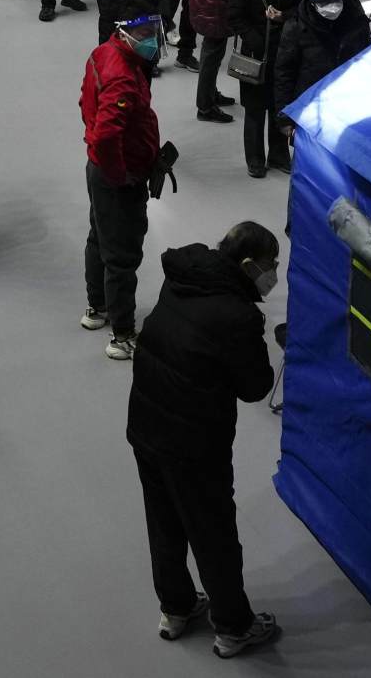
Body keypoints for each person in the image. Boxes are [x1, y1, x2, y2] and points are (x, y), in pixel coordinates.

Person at [126, 220, 282, 659]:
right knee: (213, 533)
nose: (275, 275)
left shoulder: (183, 276)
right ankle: (233, 627)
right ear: (249, 265)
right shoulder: (238, 316)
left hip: (146, 424)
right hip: (193, 445)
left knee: (164, 523)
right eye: (272, 266)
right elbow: (254, 387)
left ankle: (175, 609)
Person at [81, 3, 172, 360]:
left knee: (98, 237)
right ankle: (122, 334)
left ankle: (97, 307)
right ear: (125, 31)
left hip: (99, 169)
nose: (152, 40)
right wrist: (121, 174)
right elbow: (106, 136)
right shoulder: (123, 75)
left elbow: (86, 104)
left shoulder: (103, 53)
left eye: (154, 32)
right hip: (118, 176)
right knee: (123, 254)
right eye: (145, 33)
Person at [228, 0, 300, 178]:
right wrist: (255, 39)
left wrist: (284, 16)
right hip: (256, 55)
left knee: (279, 105)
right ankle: (255, 159)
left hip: (285, 50)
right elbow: (234, 16)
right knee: (256, 110)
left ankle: (279, 155)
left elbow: (300, 4)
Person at [273, 0, 371, 117]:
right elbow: (284, 73)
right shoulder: (297, 27)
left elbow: (369, 56)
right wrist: (284, 117)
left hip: (349, 100)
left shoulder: (356, 19)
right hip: (312, 103)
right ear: (313, 2)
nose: (332, 7)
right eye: (325, 3)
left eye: (336, 1)